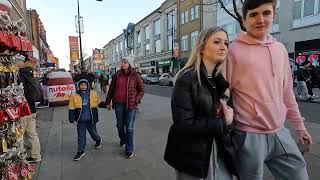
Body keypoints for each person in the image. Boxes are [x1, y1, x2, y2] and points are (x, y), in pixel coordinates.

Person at [226, 0, 312, 179]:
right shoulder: (233, 51)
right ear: (244, 20)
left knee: (299, 176)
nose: (260, 19)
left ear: (274, 15)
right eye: (254, 14)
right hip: (248, 135)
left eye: (266, 13)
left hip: (280, 132)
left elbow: (287, 93)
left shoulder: (280, 49)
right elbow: (223, 93)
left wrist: (300, 127)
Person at [164, 27, 235, 180]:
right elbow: (183, 125)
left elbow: (223, 120)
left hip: (217, 152)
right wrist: (224, 122)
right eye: (217, 42)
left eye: (226, 43)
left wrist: (227, 123)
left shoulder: (219, 81)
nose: (223, 47)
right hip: (192, 159)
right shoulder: (187, 78)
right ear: (202, 47)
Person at [105, 55, 144, 158]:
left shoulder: (135, 76)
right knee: (120, 125)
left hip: (131, 105)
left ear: (130, 64)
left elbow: (141, 90)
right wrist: (107, 102)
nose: (123, 64)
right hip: (118, 104)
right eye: (122, 62)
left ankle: (129, 149)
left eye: (125, 62)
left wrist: (136, 100)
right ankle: (123, 139)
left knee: (129, 128)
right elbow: (111, 90)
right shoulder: (116, 75)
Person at [69, 79, 102, 161]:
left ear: (88, 86)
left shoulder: (93, 93)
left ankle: (98, 140)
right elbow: (71, 107)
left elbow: (98, 102)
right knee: (81, 136)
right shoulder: (74, 95)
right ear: (78, 86)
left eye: (85, 85)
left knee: (93, 133)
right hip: (80, 120)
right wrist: (72, 118)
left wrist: (106, 105)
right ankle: (81, 151)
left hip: (91, 119)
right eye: (81, 85)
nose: (83, 86)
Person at [18, 66, 42, 163]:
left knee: (19, 137)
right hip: (32, 111)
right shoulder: (33, 80)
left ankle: (20, 159)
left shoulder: (21, 81)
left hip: (23, 112)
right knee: (33, 135)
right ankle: (36, 156)